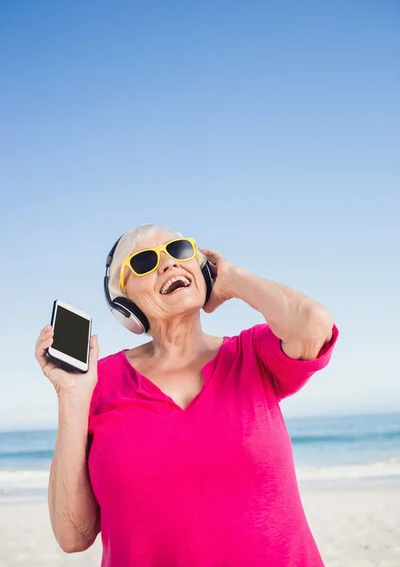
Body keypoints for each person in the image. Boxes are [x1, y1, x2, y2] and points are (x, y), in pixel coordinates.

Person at [35, 223, 339, 567]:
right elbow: (73, 536)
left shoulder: (251, 354)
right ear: (124, 302)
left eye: (179, 251)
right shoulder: (95, 382)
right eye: (145, 261)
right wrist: (71, 397)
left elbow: (313, 323)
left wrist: (233, 279)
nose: (168, 265)